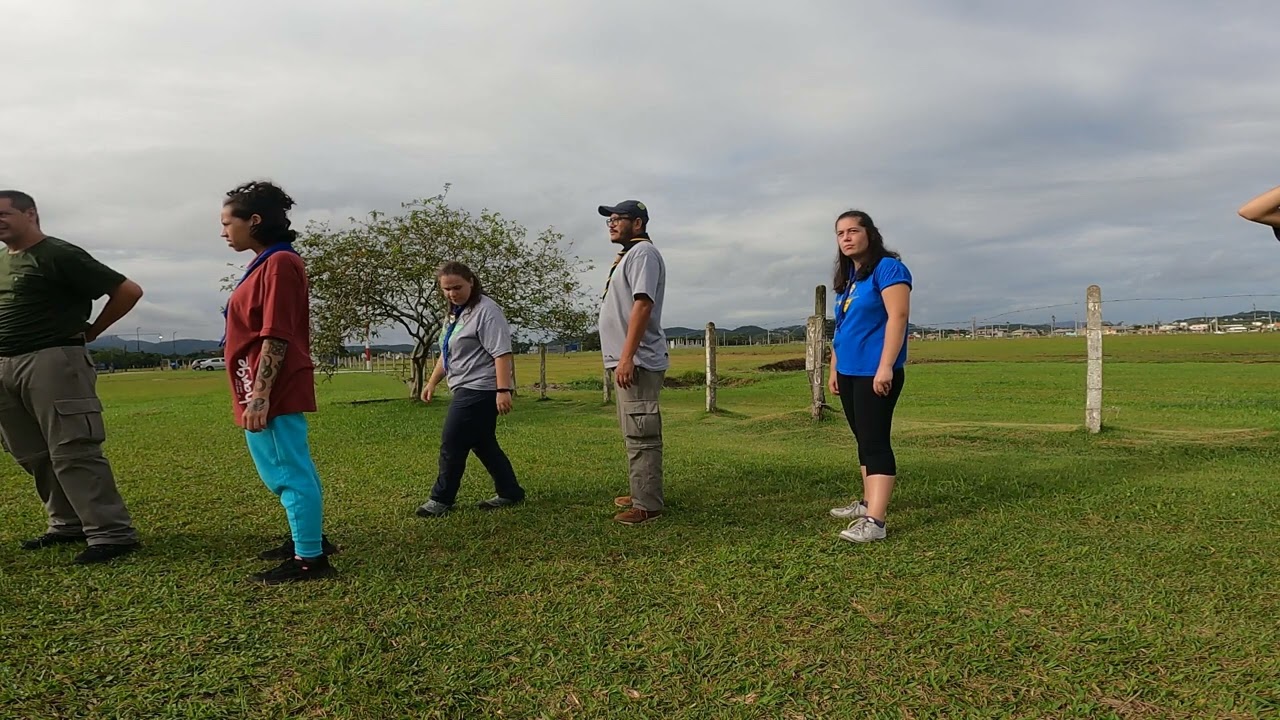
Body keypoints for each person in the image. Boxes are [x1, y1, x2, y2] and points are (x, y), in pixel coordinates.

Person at [0, 190, 143, 564]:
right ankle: (66, 524)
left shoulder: (59, 254)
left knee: (73, 448)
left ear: (30, 214)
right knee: (31, 452)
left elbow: (127, 290)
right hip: (5, 365)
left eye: (4, 213)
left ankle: (112, 533)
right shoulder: (2, 260)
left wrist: (94, 330)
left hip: (52, 359)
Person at [220, 181, 337, 585]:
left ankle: (310, 560)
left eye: (227, 223)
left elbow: (276, 334)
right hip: (255, 384)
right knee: (285, 467)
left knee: (287, 471)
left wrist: (260, 397)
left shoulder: (280, 264)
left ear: (254, 221)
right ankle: (307, 538)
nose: (223, 232)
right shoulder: (265, 262)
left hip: (271, 386)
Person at [825, 210, 912, 543]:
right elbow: (844, 329)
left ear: (869, 234)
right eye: (840, 233)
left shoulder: (888, 269)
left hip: (874, 373)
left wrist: (886, 365)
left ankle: (876, 522)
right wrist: (834, 368)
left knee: (875, 442)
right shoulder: (851, 278)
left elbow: (898, 316)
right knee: (864, 440)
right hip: (849, 371)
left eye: (853, 231)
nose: (846, 238)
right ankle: (866, 503)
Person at [416, 262, 525, 517]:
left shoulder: (487, 311)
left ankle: (441, 498)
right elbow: (447, 353)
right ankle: (510, 491)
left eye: (457, 287)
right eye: (446, 289)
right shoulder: (456, 313)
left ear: (471, 282)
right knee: (483, 443)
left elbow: (501, 352)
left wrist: (503, 390)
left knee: (452, 442)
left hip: (480, 388)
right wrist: (432, 382)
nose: (452, 293)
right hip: (463, 385)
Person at [597, 200, 669, 525]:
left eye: (618, 219)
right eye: (609, 220)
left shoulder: (643, 254)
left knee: (642, 432)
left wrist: (627, 357)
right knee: (632, 430)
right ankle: (641, 489)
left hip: (636, 361)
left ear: (637, 224)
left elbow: (643, 305)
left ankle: (648, 504)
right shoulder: (630, 255)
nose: (611, 224)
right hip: (626, 360)